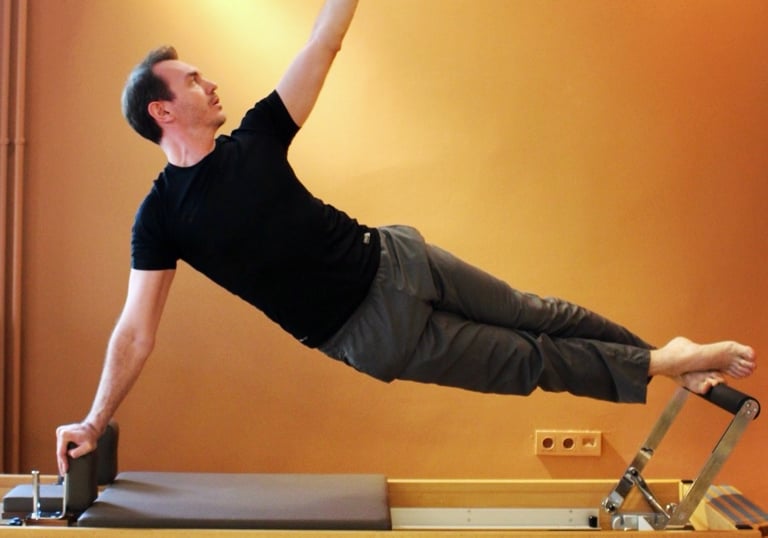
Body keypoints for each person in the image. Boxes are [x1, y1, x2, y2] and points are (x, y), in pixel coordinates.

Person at [56, 0, 756, 475]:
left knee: (538, 311)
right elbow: (135, 332)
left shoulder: (257, 136)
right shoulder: (161, 218)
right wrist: (93, 419)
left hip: (395, 258)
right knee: (529, 360)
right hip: (370, 333)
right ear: (162, 110)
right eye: (192, 80)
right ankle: (664, 361)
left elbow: (323, 42)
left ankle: (667, 360)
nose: (209, 83)